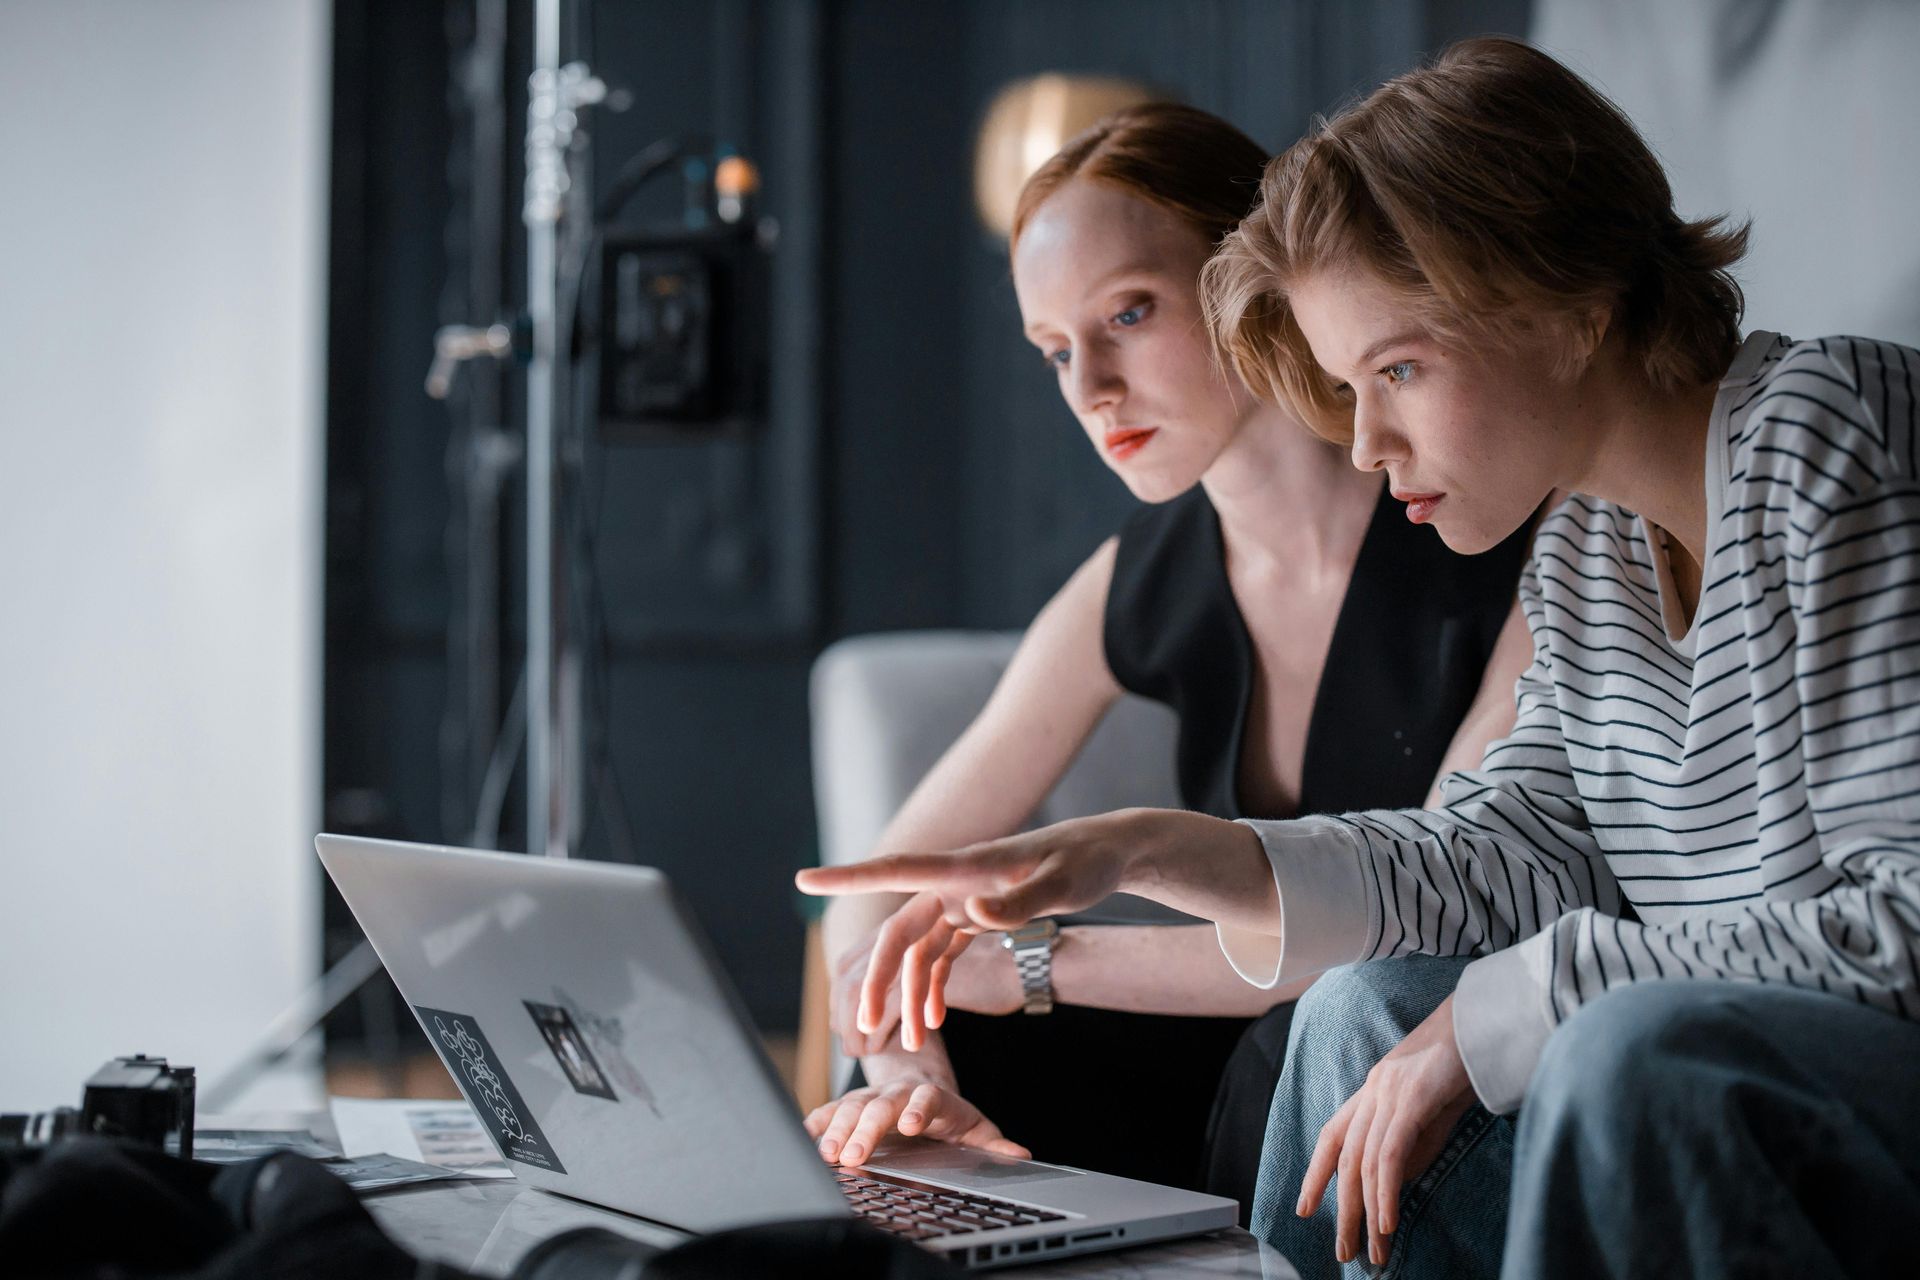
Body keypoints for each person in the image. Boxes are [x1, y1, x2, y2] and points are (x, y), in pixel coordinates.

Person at [797, 36, 1920, 1280]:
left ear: (1567, 307)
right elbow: (1497, 860)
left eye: (1397, 369)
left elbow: (1903, 927)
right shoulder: (1589, 541)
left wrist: (1512, 1006)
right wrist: (1142, 846)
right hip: (1719, 1066)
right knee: (1358, 1007)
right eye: (1347, 381)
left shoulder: (1826, 429)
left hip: (1841, 1070)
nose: (1368, 440)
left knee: (1614, 1044)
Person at [808, 102, 1537, 1206]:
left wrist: (1039, 963)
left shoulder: (1477, 514)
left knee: (1309, 1011)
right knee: (937, 1016)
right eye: (1055, 350)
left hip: (1397, 1033)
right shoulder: (1142, 573)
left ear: (1252, 279)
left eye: (1128, 313)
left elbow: (1414, 909)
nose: (1089, 388)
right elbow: (873, 896)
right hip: (1235, 1062)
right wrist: (908, 1077)